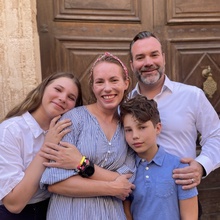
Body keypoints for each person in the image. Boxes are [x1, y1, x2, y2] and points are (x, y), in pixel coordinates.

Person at [40, 52, 136, 220]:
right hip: (70, 213)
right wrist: (112, 188)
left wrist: (80, 163)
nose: (107, 88)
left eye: (114, 80)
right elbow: (55, 183)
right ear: (93, 87)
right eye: (100, 82)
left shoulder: (127, 126)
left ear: (126, 83)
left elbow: (127, 181)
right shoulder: (73, 119)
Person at [129, 31, 220, 189]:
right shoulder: (125, 104)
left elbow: (216, 135)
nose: (148, 62)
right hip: (139, 201)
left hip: (183, 196)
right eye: (140, 57)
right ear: (132, 65)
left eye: (154, 55)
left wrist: (201, 165)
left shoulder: (192, 96)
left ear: (163, 58)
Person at [0, 72, 83, 220]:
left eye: (71, 98)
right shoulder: (10, 131)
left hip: (54, 210)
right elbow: (14, 204)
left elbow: (80, 172)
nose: (63, 98)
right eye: (58, 89)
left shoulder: (70, 133)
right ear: (43, 89)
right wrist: (48, 146)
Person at [120, 95, 198, 220]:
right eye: (128, 130)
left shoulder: (180, 168)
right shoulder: (127, 169)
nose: (135, 136)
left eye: (142, 127)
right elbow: (127, 212)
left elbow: (190, 217)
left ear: (158, 128)